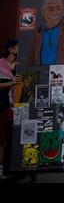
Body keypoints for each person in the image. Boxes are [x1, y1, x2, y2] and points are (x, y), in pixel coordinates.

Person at [0, 40, 22, 179]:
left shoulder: (20, 66)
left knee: (11, 137)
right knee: (1, 139)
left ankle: (11, 168)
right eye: (19, 47)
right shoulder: (0, 63)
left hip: (15, 106)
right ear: (11, 50)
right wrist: (11, 82)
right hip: (1, 104)